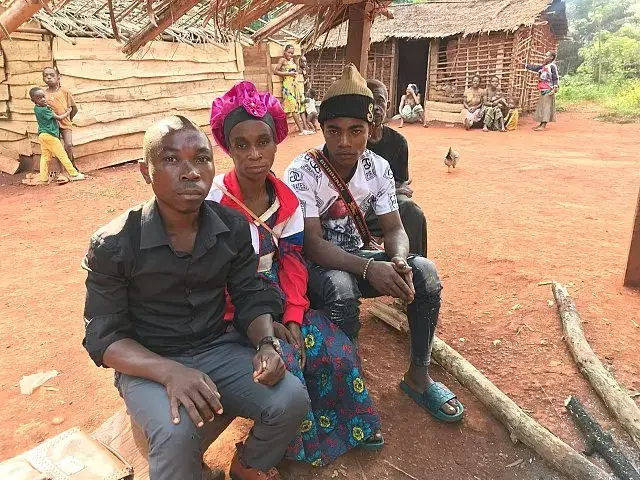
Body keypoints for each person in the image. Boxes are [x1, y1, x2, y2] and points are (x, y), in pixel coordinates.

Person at [82, 115, 310, 480]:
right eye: (172, 160)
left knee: (290, 398)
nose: (190, 172)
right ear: (146, 171)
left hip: (217, 346)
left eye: (201, 159)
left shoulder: (233, 227)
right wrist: (169, 371)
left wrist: (266, 344)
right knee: (175, 434)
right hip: (150, 361)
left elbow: (250, 294)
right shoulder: (115, 244)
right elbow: (103, 337)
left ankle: (248, 465)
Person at [207, 81, 383, 466]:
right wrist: (268, 323)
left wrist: (293, 314)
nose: (254, 154)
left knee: (331, 345)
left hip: (277, 292)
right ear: (227, 146)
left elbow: (290, 261)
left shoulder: (286, 198)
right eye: (241, 144)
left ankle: (349, 426)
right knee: (285, 356)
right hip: (233, 301)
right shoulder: (215, 200)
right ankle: (292, 447)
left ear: (276, 143)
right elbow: (217, 277)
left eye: (263, 142)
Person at [284, 64, 464, 423]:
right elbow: (314, 246)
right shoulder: (302, 171)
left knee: (424, 272)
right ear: (322, 130)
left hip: (360, 257)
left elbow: (395, 228)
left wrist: (397, 260)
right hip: (317, 267)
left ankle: (418, 375)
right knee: (341, 288)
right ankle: (351, 391)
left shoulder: (378, 167)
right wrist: (370, 267)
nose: (344, 142)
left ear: (372, 129)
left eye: (356, 131)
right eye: (334, 131)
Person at [365, 79, 428, 257]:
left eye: (380, 101)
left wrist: (394, 189)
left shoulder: (398, 142)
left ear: (389, 104)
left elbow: (400, 187)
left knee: (412, 212)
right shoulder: (355, 141)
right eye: (370, 102)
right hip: (358, 208)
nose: (376, 107)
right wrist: (393, 188)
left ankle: (414, 268)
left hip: (386, 207)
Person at [23, 87, 85, 186]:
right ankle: (74, 174)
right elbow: (59, 118)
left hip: (43, 135)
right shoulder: (44, 110)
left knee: (45, 157)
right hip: (50, 136)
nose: (43, 99)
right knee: (62, 155)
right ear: (33, 100)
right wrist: (68, 112)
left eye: (43, 97)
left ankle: (44, 178)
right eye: (39, 98)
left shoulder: (37, 108)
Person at [42, 66, 78, 178]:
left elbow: (74, 108)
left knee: (68, 144)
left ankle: (72, 165)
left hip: (66, 123)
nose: (49, 77)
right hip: (52, 126)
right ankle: (61, 172)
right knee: (57, 148)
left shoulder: (65, 92)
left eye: (52, 75)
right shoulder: (43, 94)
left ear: (58, 77)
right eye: (46, 75)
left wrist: (68, 119)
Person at [274, 44, 310, 135]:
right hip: (287, 86)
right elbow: (276, 71)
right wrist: (288, 74)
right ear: (284, 52)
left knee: (295, 107)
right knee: (292, 107)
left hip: (294, 85)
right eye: (289, 52)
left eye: (292, 53)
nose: (290, 54)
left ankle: (279, 129)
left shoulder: (293, 61)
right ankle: (301, 130)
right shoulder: (282, 60)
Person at [526, 51, 560, 131]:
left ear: (551, 57)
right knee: (542, 107)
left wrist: (555, 88)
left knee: (546, 108)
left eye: (546, 56)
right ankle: (541, 124)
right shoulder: (544, 66)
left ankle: (543, 125)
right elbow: (535, 68)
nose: (544, 57)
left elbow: (555, 78)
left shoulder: (552, 66)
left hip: (549, 89)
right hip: (543, 89)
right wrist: (525, 65)